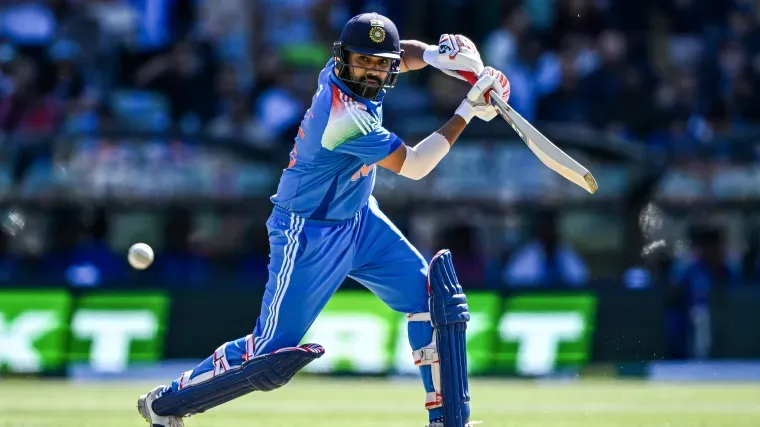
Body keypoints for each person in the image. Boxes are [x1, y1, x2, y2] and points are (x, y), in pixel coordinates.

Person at [136, 12, 510, 427]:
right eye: (361, 61)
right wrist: (468, 109)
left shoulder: (357, 70)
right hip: (308, 232)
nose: (370, 71)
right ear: (342, 59)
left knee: (434, 302)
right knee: (269, 354)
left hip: (360, 219)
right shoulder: (343, 116)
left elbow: (401, 54)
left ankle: (447, 420)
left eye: (379, 64)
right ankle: (167, 403)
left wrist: (440, 56)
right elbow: (417, 165)